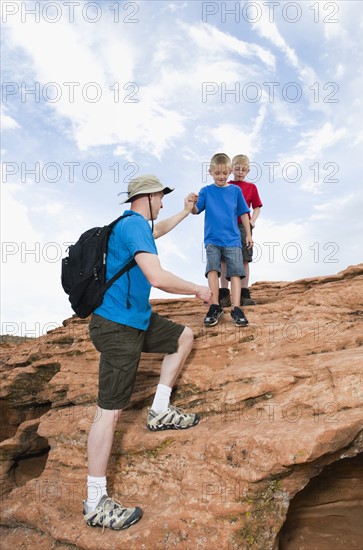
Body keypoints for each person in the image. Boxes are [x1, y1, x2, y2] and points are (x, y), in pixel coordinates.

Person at [83, 175, 212, 530]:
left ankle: (159, 410)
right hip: (118, 327)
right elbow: (156, 277)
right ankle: (95, 502)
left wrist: (187, 212)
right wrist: (197, 290)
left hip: (137, 320)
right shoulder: (134, 225)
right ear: (150, 196)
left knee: (183, 336)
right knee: (108, 413)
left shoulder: (129, 227)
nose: (163, 203)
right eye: (161, 198)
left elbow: (160, 230)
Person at [192, 153, 252, 328]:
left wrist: (248, 235)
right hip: (212, 239)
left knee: (235, 273)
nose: (221, 177)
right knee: (212, 270)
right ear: (210, 172)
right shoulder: (206, 191)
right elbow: (196, 210)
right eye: (217, 173)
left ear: (230, 171)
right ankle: (214, 306)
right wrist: (190, 204)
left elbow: (243, 213)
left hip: (233, 239)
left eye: (225, 173)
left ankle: (236, 308)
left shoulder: (235, 191)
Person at [219, 154, 263, 307]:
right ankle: (224, 294)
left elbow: (256, 207)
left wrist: (252, 220)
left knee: (245, 258)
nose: (240, 172)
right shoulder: (226, 185)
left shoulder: (251, 187)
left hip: (244, 227)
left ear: (248, 171)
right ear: (231, 169)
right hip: (227, 227)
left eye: (244, 170)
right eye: (237, 169)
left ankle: (244, 294)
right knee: (224, 259)